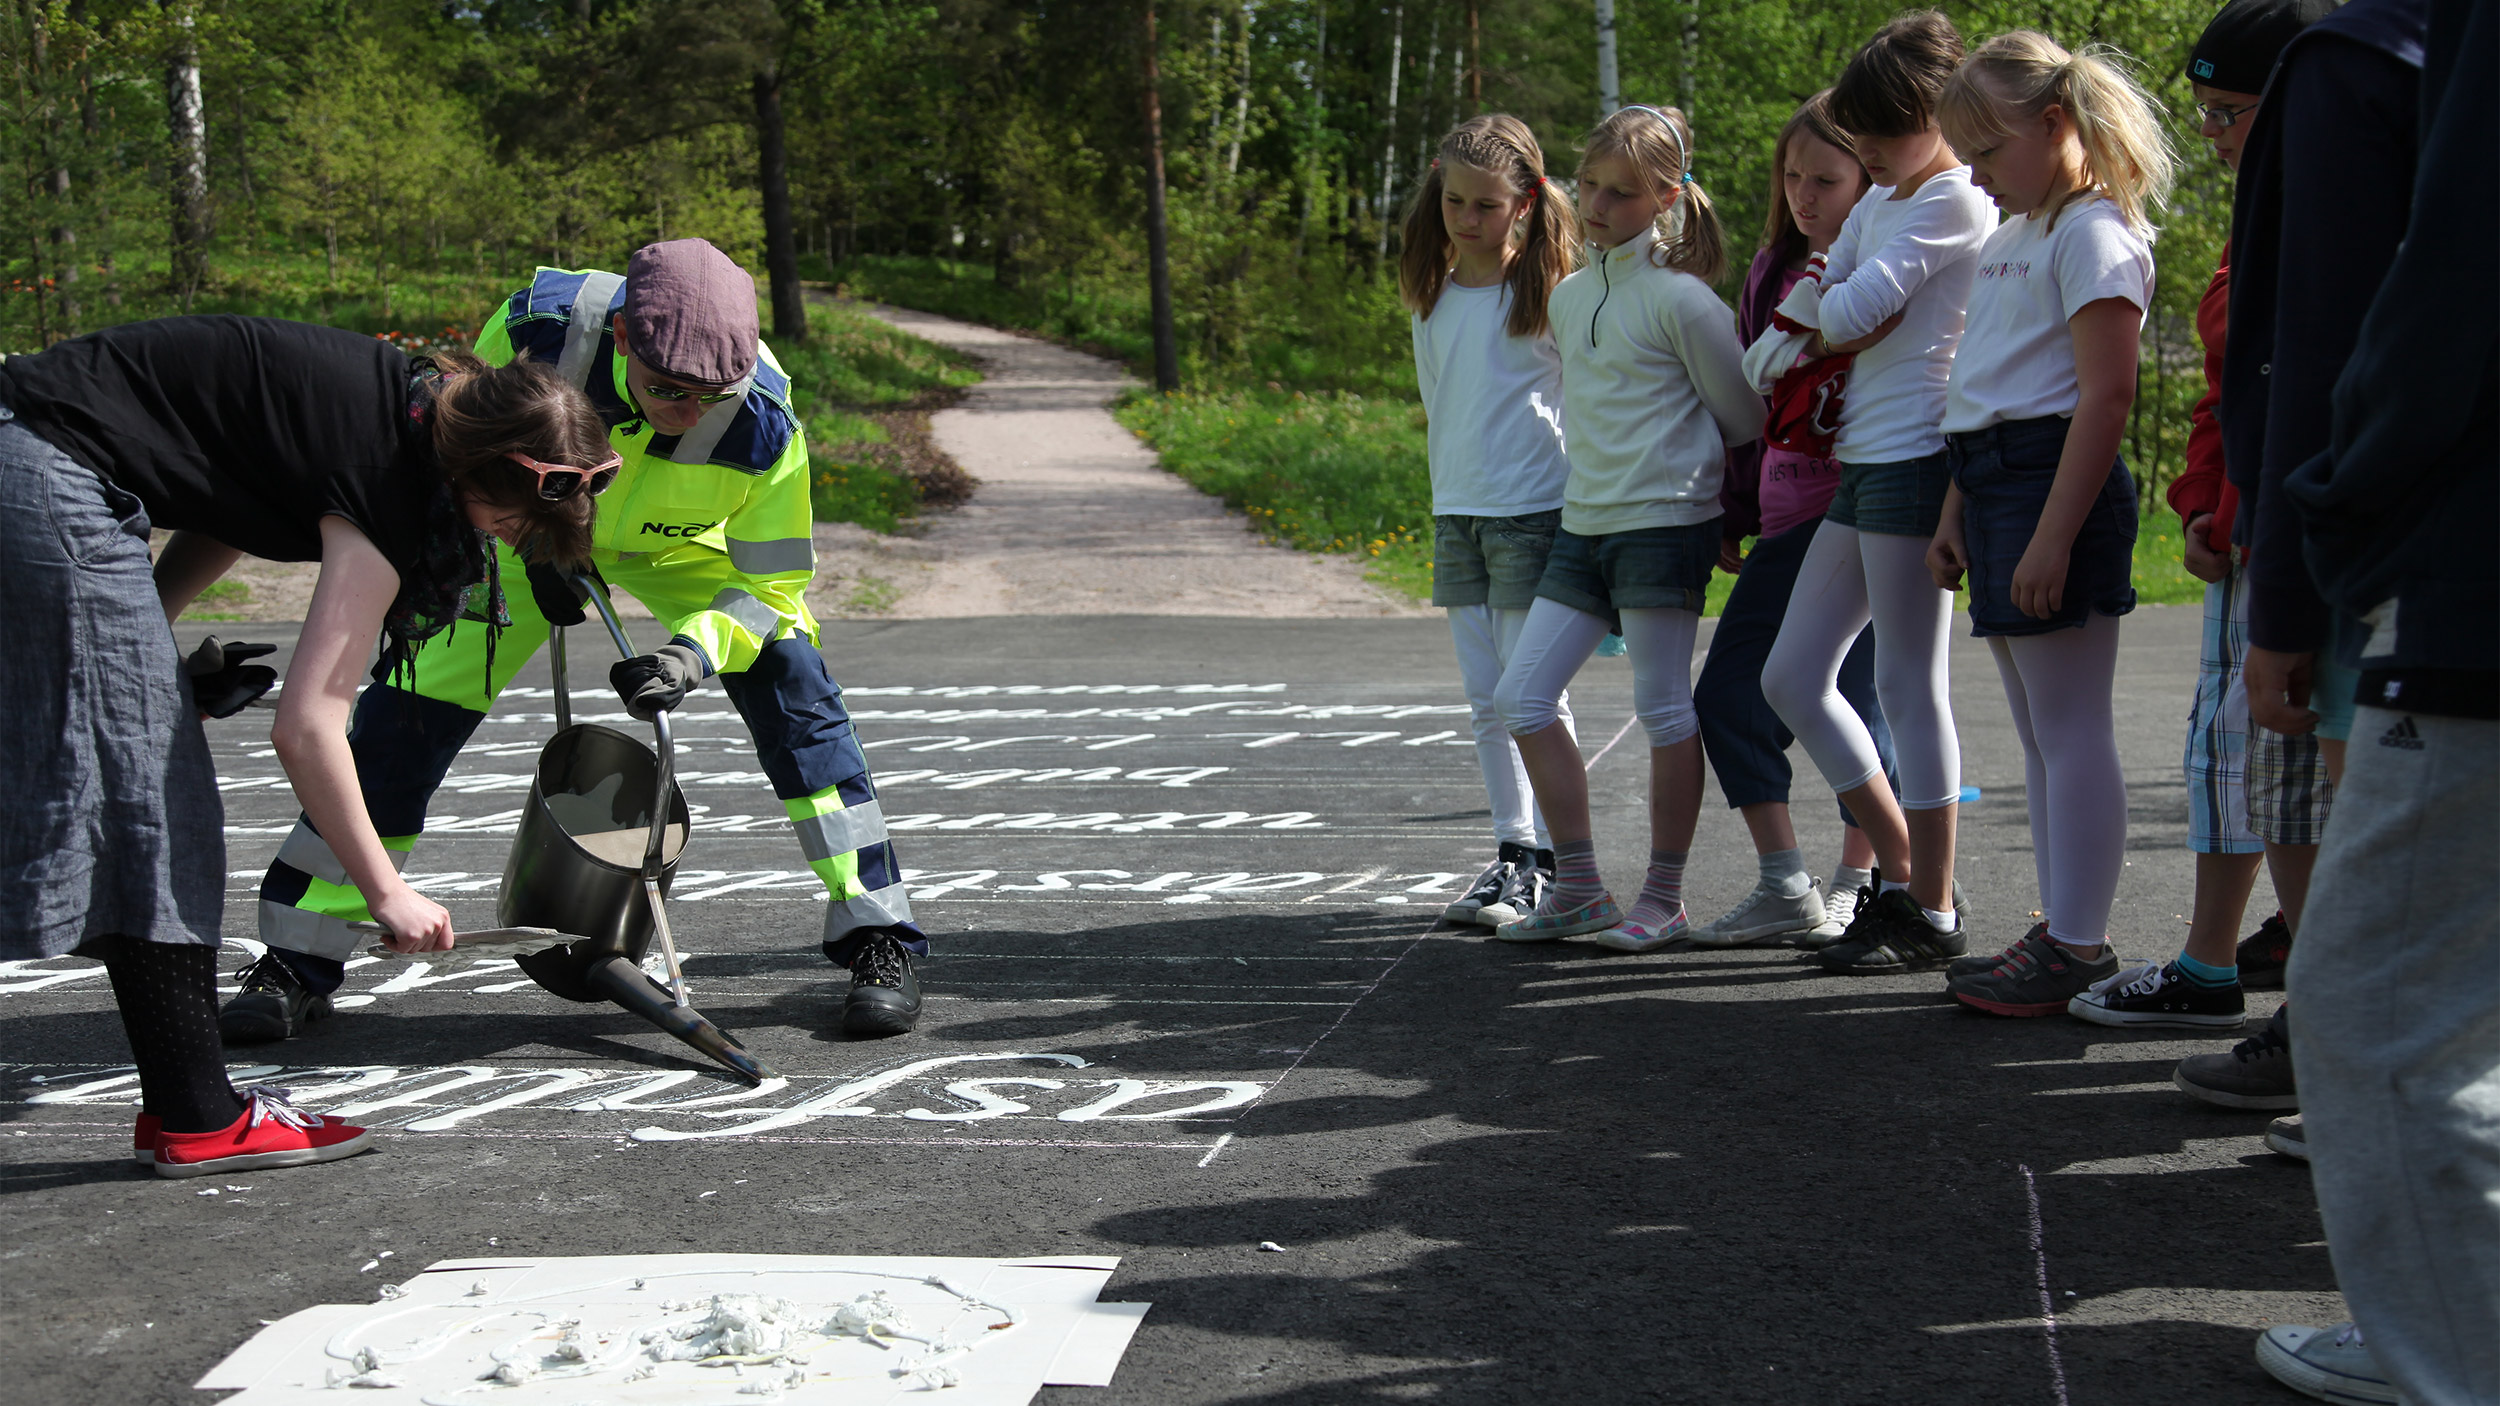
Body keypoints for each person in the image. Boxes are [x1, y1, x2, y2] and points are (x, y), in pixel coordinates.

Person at [231, 238, 931, 1043]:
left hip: (679, 550)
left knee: (798, 697)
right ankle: (296, 959)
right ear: (627, 336)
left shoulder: (767, 428)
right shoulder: (537, 334)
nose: (690, 411)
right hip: (523, 530)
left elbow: (773, 587)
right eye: (669, 389)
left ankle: (880, 935)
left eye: (713, 394)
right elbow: (460, 456)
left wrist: (693, 653)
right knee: (402, 721)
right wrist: (535, 547)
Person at [0, 315, 605, 1176]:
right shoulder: (391, 487)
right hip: (44, 472)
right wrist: (384, 892)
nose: (503, 542)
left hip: (30, 452)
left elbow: (224, 495)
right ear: (479, 470)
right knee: (154, 809)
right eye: (506, 522)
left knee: (104, 770)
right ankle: (200, 1118)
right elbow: (309, 723)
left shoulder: (401, 409)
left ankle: (193, 1110)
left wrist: (152, 646)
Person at [2264, 2, 2496, 1398]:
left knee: (2379, 1012)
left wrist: (2340, 517)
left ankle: (2458, 1354)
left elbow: (2446, 263)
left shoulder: (2355, 60)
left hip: (2478, 576)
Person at [2068, 0, 2334, 1033]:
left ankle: (2318, 1020)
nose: (2215, 137)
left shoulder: (2338, 214)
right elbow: (2230, 393)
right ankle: (2221, 963)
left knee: (2300, 772)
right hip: (2247, 539)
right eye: (2207, 115)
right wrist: (2199, 503)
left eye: (2231, 113)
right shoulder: (2257, 221)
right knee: (2238, 761)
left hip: (2304, 545)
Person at [1925, 31, 2174, 1017]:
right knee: (2036, 733)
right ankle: (2062, 927)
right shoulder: (2013, 235)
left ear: (2055, 125)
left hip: (2049, 483)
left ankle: (2075, 942)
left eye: (1988, 153)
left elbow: (2104, 398)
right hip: (1993, 482)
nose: (1978, 177)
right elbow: (1982, 386)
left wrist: (2051, 535)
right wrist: (1955, 506)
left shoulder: (2091, 232)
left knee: (2069, 730)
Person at [1754, 10, 1996, 974]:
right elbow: (1828, 288)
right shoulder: (1886, 194)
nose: (1868, 155)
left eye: (1882, 137)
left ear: (1936, 116)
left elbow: (1845, 307)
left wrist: (1824, 318)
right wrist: (1826, 313)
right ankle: (1905, 873)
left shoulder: (1954, 198)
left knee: (1906, 683)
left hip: (1918, 456)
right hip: (1864, 460)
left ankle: (1927, 906)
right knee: (1790, 677)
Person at [1489, 102, 1762, 952]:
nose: (1599, 205)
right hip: (1585, 525)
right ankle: (1578, 890)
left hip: (1664, 523)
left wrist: (1717, 510)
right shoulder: (1570, 297)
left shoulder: (1684, 302)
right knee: (1521, 697)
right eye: (1591, 186)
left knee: (1662, 709)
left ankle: (1665, 897)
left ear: (1669, 200)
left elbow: (1745, 416)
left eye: (1623, 193)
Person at [1688, 91, 1893, 950]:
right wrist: (1734, 507)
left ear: (1869, 181)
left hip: (1864, 510)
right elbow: (1748, 405)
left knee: (1859, 697)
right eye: (1793, 175)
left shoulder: (1887, 261)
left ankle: (1867, 880)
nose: (1805, 194)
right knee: (1733, 694)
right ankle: (1786, 882)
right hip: (1784, 514)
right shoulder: (1773, 270)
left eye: (1827, 178)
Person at [1398, 114, 1581, 932]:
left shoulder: (1549, 294)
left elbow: (1585, 404)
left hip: (1533, 514)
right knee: (1483, 697)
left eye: (1486, 205)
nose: (1467, 219)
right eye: (1455, 202)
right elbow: (1440, 405)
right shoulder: (1431, 296)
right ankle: (1512, 852)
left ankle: (1553, 861)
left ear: (1525, 206)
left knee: (1529, 694)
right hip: (1460, 515)